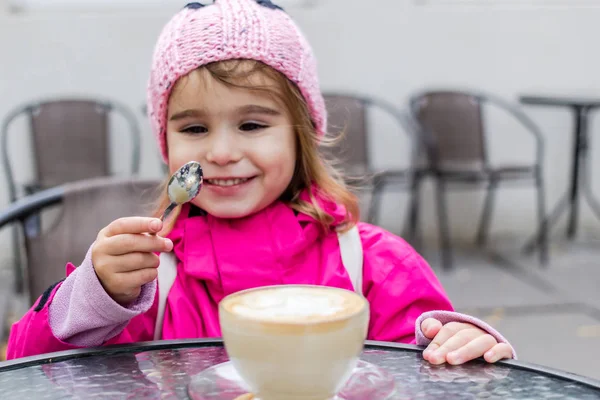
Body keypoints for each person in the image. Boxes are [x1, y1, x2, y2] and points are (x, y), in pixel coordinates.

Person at [7, 0, 516, 366]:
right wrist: (95, 296)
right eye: (194, 128)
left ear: (302, 136)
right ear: (166, 142)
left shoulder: (373, 265)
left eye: (252, 125)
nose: (222, 152)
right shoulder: (148, 280)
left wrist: (459, 343)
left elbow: (427, 365)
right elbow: (35, 371)